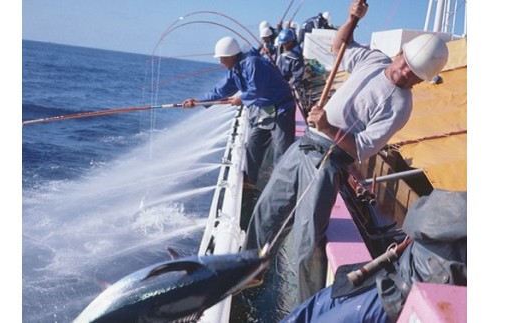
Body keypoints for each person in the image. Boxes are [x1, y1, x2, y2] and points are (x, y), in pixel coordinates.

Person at [244, 0, 449, 302]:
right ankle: (247, 272)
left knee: (306, 241)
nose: (404, 73)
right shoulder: (373, 60)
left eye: (413, 74)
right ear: (399, 53)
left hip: (328, 162)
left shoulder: (401, 106)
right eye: (405, 63)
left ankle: (307, 307)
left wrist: (327, 127)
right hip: (305, 145)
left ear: (421, 81)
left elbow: (363, 148)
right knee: (266, 211)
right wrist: (352, 19)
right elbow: (340, 45)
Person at [281, 189, 467, 322]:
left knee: (310, 311)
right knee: (311, 310)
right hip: (385, 281)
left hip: (391, 298)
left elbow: (417, 214)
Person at [182, 36, 296, 190]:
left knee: (282, 150)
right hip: (267, 110)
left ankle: (283, 188)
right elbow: (220, 90)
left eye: (222, 58)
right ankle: (249, 182)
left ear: (231, 56)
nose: (220, 62)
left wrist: (241, 98)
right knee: (254, 144)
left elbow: (257, 89)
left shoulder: (252, 63)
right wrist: (197, 101)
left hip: (282, 108)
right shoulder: (235, 69)